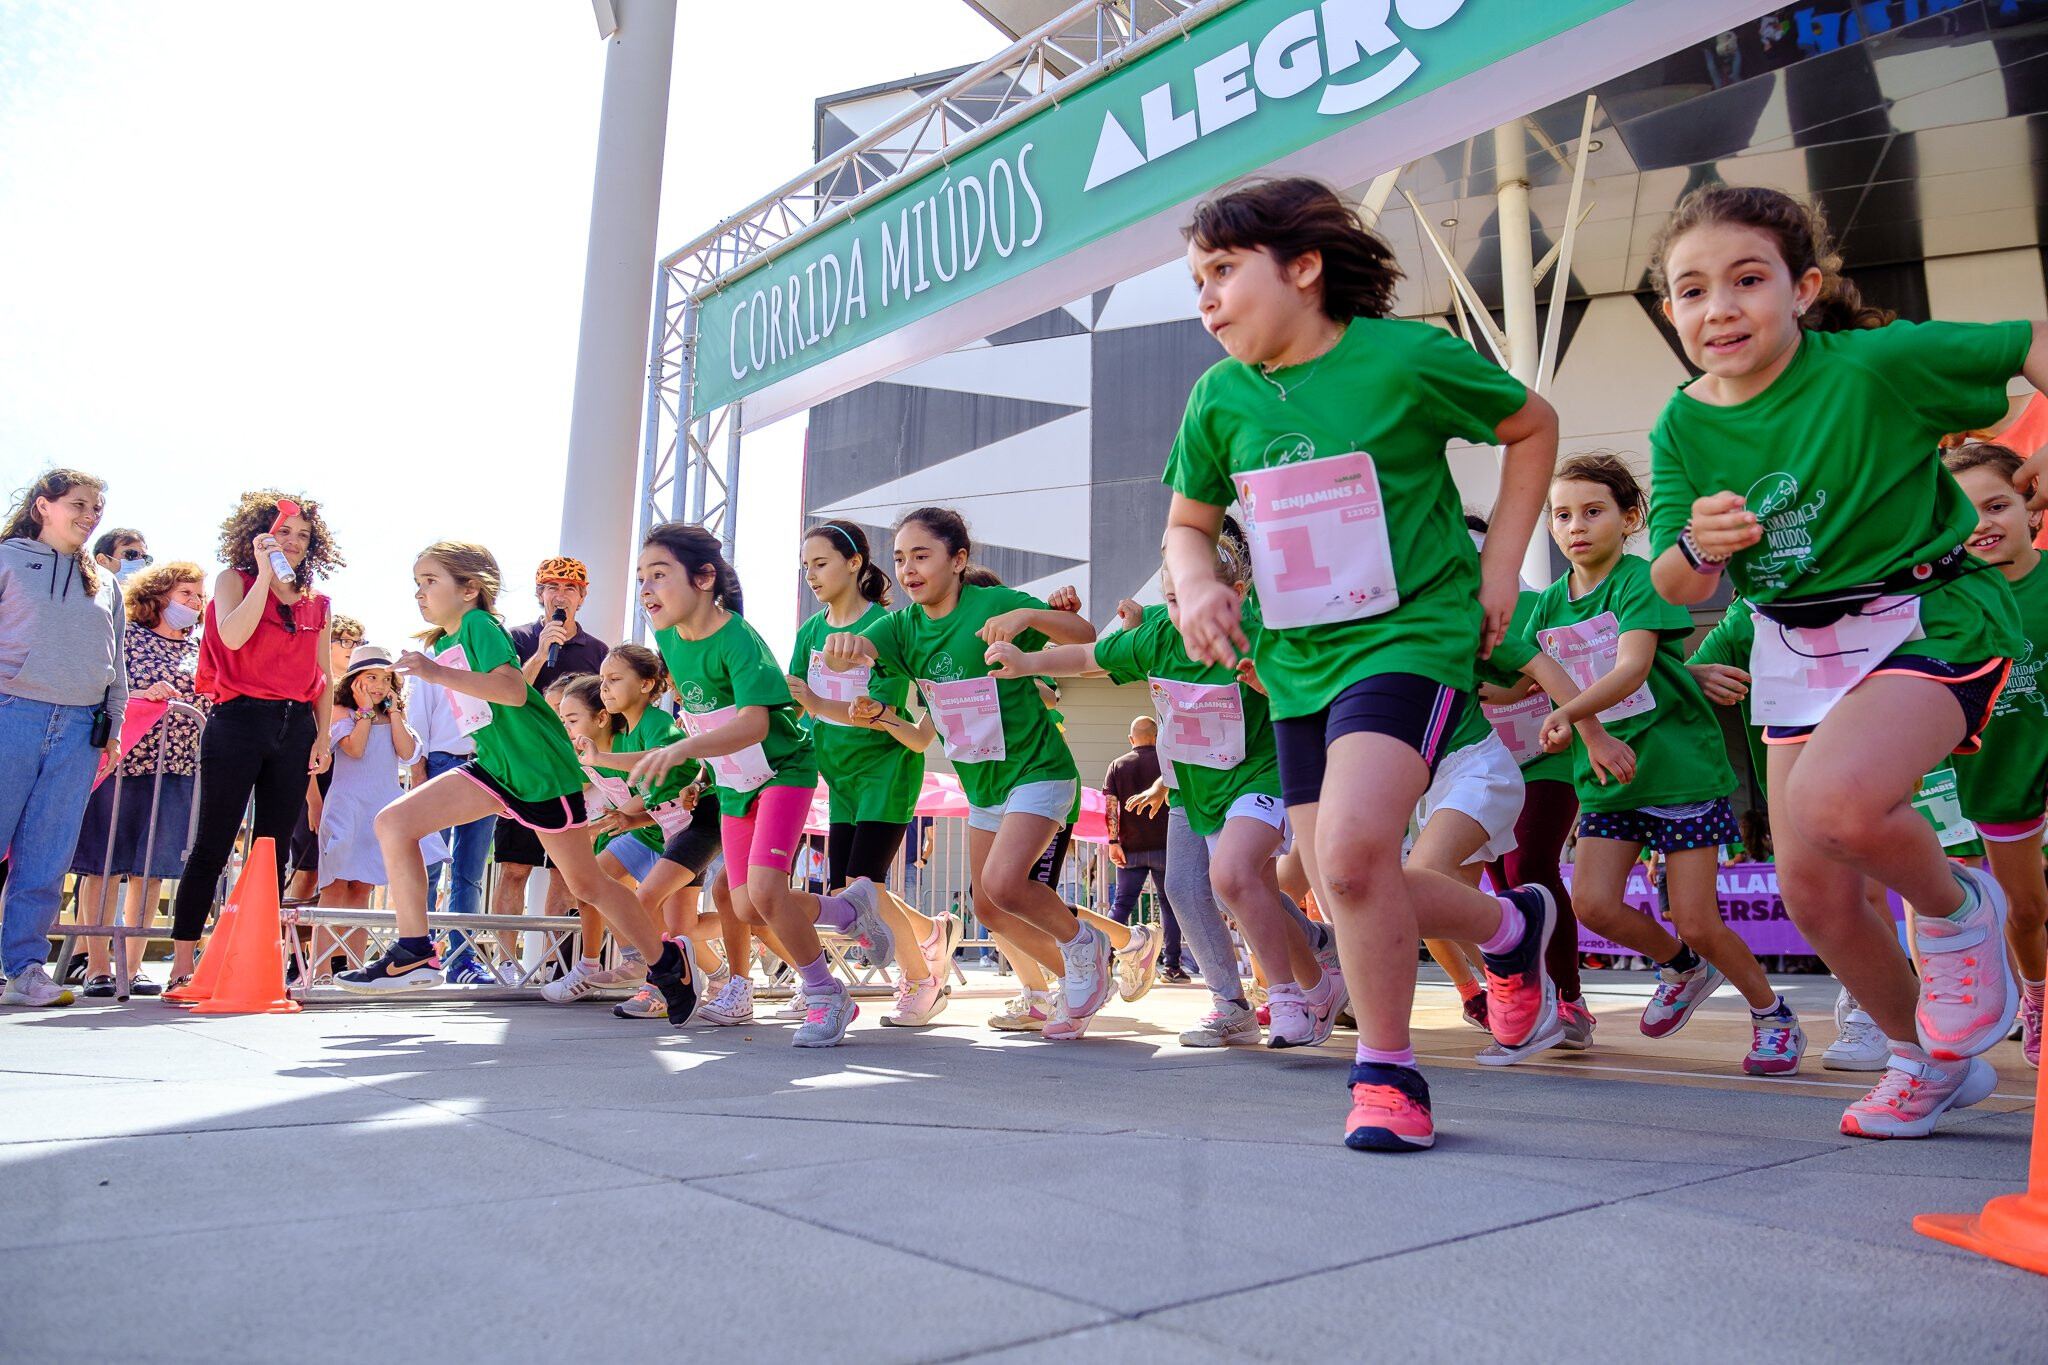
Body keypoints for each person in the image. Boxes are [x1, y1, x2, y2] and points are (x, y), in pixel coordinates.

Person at [1163, 176, 1561, 1152]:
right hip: (1296, 663)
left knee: (1346, 855)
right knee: (1329, 875)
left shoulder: (1405, 359)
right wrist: (1198, 587)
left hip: (1409, 636)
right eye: (1195, 281)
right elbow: (1187, 522)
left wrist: (1498, 571)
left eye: (1221, 271)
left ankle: (1386, 1072)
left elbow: (1530, 425)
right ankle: (1509, 930)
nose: (1204, 298)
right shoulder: (1217, 398)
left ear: (1301, 269)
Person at [1647, 183, 2041, 1137]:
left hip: (1926, 614)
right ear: (1671, 312)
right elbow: (1670, 583)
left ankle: (1956, 909)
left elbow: (2024, 341)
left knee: (1838, 804)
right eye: (1693, 290)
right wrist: (1701, 545)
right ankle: (1926, 1060)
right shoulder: (1680, 424)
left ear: (1803, 287)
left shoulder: (1875, 365)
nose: (1720, 307)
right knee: (1813, 890)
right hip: (1794, 643)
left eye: (1748, 280)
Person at [991, 525, 1347, 1048]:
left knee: (1235, 875)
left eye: (1203, 601)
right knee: (1189, 888)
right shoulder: (1157, 634)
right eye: (1176, 600)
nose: (1187, 616)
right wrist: (1028, 663)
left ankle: (1294, 993)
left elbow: (1315, 697)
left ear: (1240, 594)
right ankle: (1244, 997)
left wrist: (1264, 682)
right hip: (1190, 788)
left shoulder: (1266, 632)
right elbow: (1090, 657)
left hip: (1259, 776)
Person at [335, 542, 698, 1024]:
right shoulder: (445, 641)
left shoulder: (478, 626)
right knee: (394, 823)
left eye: (430, 581)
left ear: (469, 589)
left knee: (588, 884)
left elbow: (508, 689)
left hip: (539, 771)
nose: (420, 592)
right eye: (417, 583)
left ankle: (667, 962)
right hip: (495, 766)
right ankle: (415, 949)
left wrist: (433, 672)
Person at [1531, 453, 1800, 1075]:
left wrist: (1570, 717)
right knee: (1592, 905)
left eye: (1593, 512)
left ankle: (1771, 1015)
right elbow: (1540, 670)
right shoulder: (1544, 606)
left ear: (1629, 519)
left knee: (1698, 918)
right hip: (1607, 777)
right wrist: (1582, 726)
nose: (1576, 526)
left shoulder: (1643, 579)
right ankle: (1681, 967)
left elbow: (1635, 666)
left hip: (1678, 768)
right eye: (1562, 514)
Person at [824, 507, 1120, 1040]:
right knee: (988, 903)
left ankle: (1085, 947)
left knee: (1007, 882)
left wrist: (1028, 619)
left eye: (922, 556)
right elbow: (863, 651)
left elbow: (1084, 632)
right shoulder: (902, 626)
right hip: (983, 784)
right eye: (900, 559)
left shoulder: (995, 604)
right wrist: (844, 651)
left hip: (1038, 769)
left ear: (959, 560)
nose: (908, 569)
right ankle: (1075, 974)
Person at [628, 521, 893, 1047]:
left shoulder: (739, 640)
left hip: (783, 772)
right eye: (641, 578)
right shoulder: (665, 638)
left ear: (703, 578)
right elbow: (705, 714)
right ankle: (846, 910)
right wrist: (698, 768)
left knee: (767, 891)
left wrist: (680, 749)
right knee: (748, 905)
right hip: (732, 784)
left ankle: (825, 993)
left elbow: (754, 723)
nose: (646, 589)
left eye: (659, 575)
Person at [785, 519, 959, 1027]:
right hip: (837, 777)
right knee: (849, 893)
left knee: (865, 887)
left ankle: (923, 982)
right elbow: (794, 707)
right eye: (805, 568)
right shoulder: (811, 632)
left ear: (854, 562)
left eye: (821, 564)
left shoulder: (889, 629)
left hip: (885, 770)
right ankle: (931, 931)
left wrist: (819, 702)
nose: (812, 577)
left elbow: (876, 714)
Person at [166, 490, 336, 994]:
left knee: (273, 848)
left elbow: (323, 674)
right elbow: (234, 636)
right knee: (213, 843)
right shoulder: (231, 580)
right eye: (285, 531)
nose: (295, 542)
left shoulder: (318, 601)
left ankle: (251, 958)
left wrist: (322, 735)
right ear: (260, 534)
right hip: (238, 719)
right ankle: (181, 964)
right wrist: (265, 574)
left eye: (304, 535)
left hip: (295, 725)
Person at [0, 470, 126, 1008]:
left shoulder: (106, 581)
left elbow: (115, 665)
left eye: (96, 507)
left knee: (46, 859)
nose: (90, 515)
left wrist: (112, 728)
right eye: (78, 504)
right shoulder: (6, 560)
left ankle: (25, 969)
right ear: (43, 506)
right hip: (11, 714)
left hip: (80, 730)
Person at [1947, 441, 2048, 1068]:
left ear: (2031, 507)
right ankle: (2035, 992)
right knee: (2027, 908)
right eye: (1963, 513)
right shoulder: (1945, 602)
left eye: (1996, 505)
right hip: (1998, 774)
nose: (1981, 523)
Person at [72, 560, 206, 998]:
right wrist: (142, 697)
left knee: (151, 872)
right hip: (121, 766)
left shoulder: (200, 648)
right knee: (104, 867)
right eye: (186, 593)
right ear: (159, 595)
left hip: (177, 770)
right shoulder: (127, 637)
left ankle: (133, 966)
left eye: (199, 595)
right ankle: (97, 966)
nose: (195, 602)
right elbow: (104, 686)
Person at [492, 558, 609, 958]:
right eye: (552, 588)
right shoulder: (516, 637)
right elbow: (505, 696)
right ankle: (506, 965)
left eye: (570, 589)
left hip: (574, 774)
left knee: (565, 874)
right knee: (513, 867)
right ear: (539, 594)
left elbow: (608, 710)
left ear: (583, 596)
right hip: (524, 768)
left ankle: (551, 963)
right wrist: (542, 653)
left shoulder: (597, 651)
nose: (560, 596)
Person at [311, 646, 446, 976]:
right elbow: (354, 749)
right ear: (355, 680)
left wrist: (395, 713)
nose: (378, 685)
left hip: (381, 808)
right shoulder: (342, 712)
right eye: (371, 677)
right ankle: (320, 970)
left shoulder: (393, 715)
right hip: (347, 807)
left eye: (386, 678)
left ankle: (356, 968)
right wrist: (366, 712)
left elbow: (410, 753)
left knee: (363, 889)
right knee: (335, 887)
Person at [407, 655, 497, 984]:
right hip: (441, 762)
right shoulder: (431, 654)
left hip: (487, 766)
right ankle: (420, 955)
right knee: (429, 866)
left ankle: (462, 959)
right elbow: (417, 719)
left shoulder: (495, 653)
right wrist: (419, 770)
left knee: (470, 872)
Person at [1102, 716, 1187, 981]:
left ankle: (1103, 958)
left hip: (1131, 847)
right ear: (1156, 737)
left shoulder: (1118, 765)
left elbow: (1111, 807)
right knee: (1169, 905)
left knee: (1122, 904)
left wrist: (1113, 842)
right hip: (1166, 845)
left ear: (1131, 739)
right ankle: (1172, 967)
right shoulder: (1167, 765)